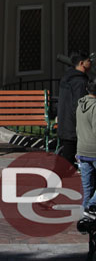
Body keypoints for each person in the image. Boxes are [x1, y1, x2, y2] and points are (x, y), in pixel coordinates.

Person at [58, 52, 92, 166]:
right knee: (66, 162)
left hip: (65, 123)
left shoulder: (67, 78)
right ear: (82, 63)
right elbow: (80, 104)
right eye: (89, 61)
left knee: (67, 157)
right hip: (73, 126)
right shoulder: (80, 82)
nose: (91, 63)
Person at [77, 79, 96, 218]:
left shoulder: (80, 104)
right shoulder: (95, 107)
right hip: (94, 150)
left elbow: (78, 128)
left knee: (87, 187)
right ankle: (90, 207)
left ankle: (86, 218)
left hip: (82, 150)